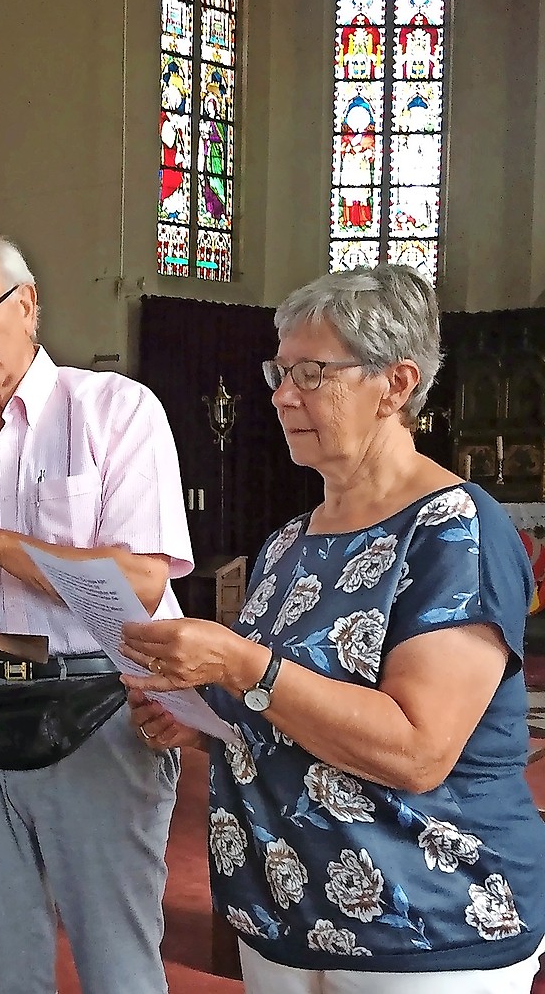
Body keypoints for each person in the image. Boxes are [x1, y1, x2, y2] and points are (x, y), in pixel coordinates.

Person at [124, 264, 545, 993]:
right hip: (282, 911)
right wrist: (197, 718)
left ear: (397, 382)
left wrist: (240, 665)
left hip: (429, 918)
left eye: (314, 372)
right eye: (280, 370)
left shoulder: (454, 530)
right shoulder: (289, 541)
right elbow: (288, 705)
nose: (284, 394)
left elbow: (416, 749)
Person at [0, 227, 194, 994]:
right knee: (4, 966)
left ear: (26, 305)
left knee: (117, 962)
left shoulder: (113, 410)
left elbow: (140, 579)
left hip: (98, 707)